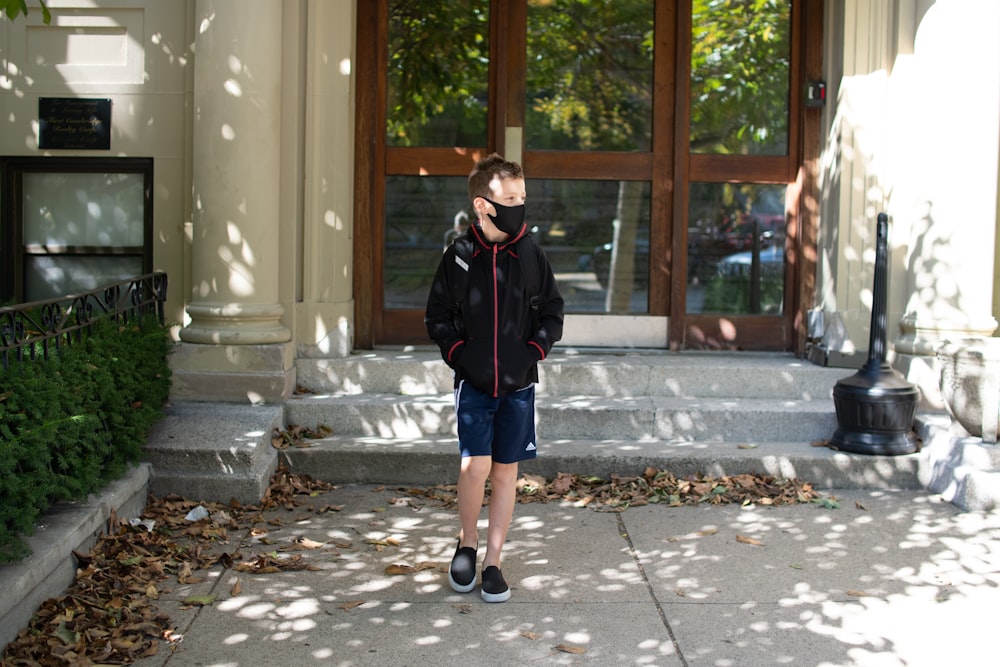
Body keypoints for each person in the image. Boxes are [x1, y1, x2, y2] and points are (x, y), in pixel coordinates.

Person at [424, 153, 564, 602]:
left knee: (506, 472)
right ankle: (467, 543)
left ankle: (493, 561)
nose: (519, 205)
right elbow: (438, 317)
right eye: (509, 198)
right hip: (475, 385)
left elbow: (553, 313)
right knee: (474, 466)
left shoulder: (531, 254)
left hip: (519, 386)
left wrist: (532, 352)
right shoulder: (460, 257)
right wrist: (461, 356)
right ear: (484, 205)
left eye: (522, 196)